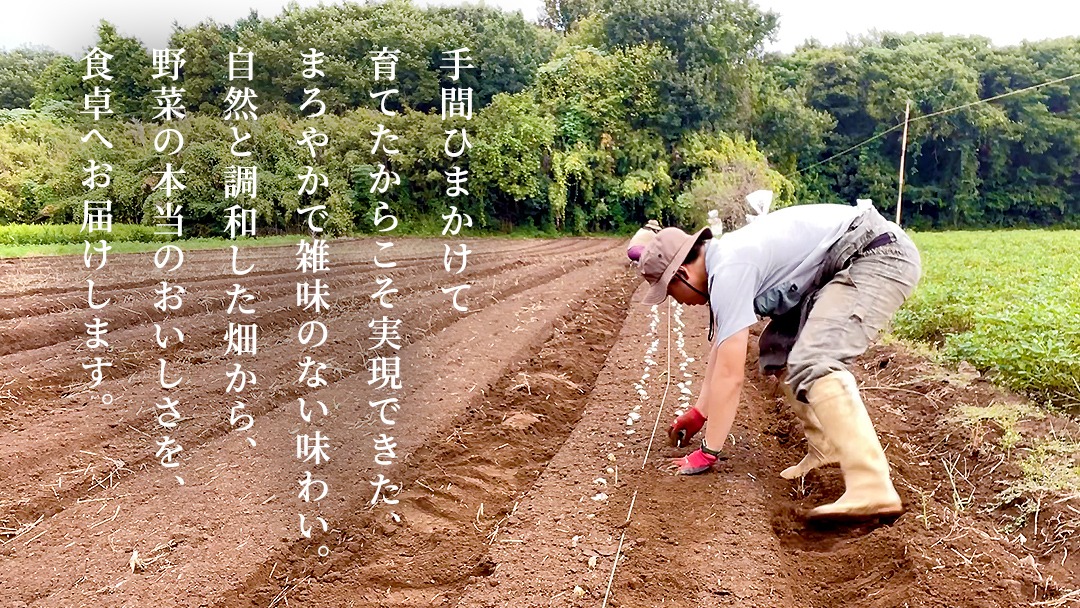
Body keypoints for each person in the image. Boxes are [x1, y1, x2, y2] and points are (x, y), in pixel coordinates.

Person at [636, 202, 921, 522]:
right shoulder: (722, 263)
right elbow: (722, 350)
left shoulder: (729, 268)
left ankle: (872, 486)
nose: (680, 302)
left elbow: (731, 377)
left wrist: (708, 452)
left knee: (814, 360)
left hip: (874, 254)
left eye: (672, 293)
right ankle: (825, 449)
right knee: (778, 350)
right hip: (839, 264)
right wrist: (700, 412)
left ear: (683, 274)